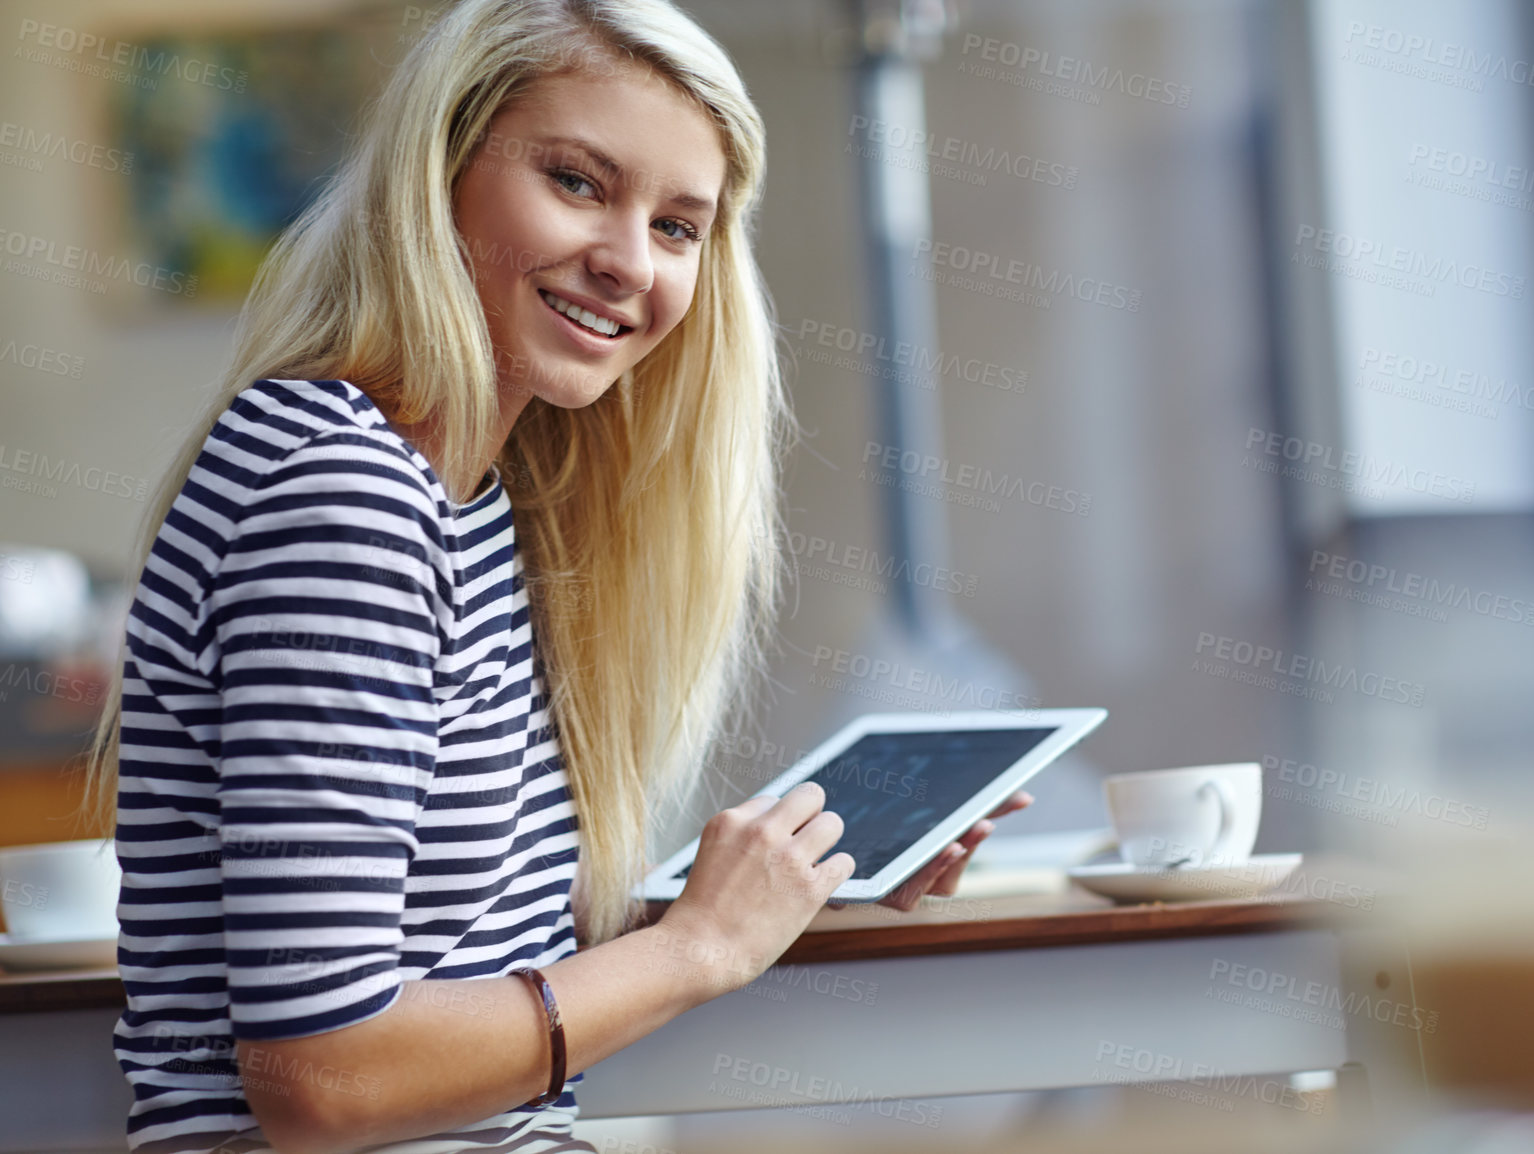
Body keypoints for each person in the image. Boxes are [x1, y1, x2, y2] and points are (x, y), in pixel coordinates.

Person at [78, 2, 1027, 1152]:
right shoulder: (345, 497)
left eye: (680, 226)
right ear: (438, 172)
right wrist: (691, 951)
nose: (631, 260)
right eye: (578, 182)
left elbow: (453, 950)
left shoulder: (465, 496)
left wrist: (763, 894)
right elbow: (323, 1074)